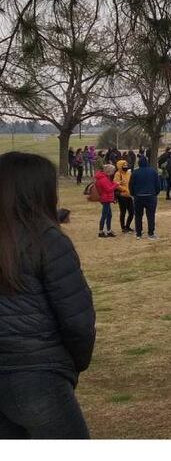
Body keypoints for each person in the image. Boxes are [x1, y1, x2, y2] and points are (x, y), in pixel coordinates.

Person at [0, 152, 96, 438]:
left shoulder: (41, 238)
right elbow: (77, 319)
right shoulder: (46, 240)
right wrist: (71, 362)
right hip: (36, 373)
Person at [130, 155, 161, 240]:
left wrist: (133, 194)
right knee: (151, 215)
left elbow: (131, 185)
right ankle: (151, 233)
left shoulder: (135, 172)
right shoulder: (153, 171)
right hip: (151, 196)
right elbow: (157, 184)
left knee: (138, 215)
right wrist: (155, 193)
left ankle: (138, 233)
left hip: (138, 196)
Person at [94, 163, 118, 238]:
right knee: (104, 215)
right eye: (113, 171)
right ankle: (101, 231)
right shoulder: (103, 179)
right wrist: (116, 184)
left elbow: (108, 186)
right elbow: (108, 189)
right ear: (109, 171)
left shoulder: (105, 177)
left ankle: (108, 230)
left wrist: (113, 184)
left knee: (109, 215)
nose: (113, 173)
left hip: (106, 198)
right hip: (105, 199)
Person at [113, 159, 135, 234]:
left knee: (132, 212)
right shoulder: (117, 174)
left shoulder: (128, 173)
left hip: (129, 195)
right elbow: (116, 185)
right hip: (122, 196)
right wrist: (124, 189)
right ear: (120, 166)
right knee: (123, 212)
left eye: (126, 165)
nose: (125, 166)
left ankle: (128, 226)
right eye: (124, 165)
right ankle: (123, 227)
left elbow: (131, 182)